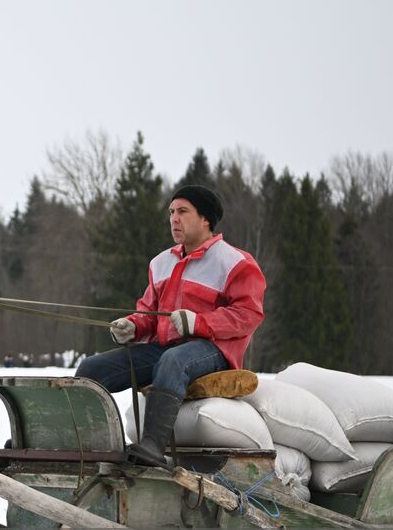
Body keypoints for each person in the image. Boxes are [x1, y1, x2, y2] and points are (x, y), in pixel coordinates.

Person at [75, 184, 266, 469]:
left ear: (206, 220)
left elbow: (248, 314)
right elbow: (148, 314)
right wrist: (133, 326)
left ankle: (152, 445)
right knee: (91, 369)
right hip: (163, 349)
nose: (174, 218)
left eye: (183, 212)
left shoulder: (235, 262)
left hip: (212, 350)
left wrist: (198, 322)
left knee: (172, 360)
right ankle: (78, 441)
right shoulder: (161, 263)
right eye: (171, 212)